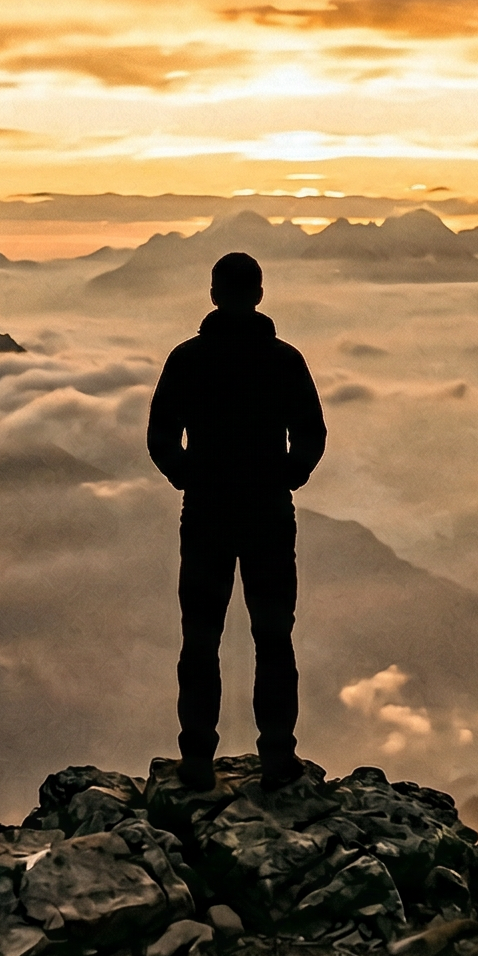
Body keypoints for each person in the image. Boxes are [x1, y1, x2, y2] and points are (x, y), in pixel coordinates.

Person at [146, 251, 326, 792]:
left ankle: (198, 759)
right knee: (273, 636)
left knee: (200, 637)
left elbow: (160, 438)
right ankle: (277, 757)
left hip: (205, 515)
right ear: (260, 294)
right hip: (268, 514)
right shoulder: (284, 360)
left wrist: (188, 477)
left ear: (213, 293)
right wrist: (285, 478)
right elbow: (312, 435)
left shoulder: (187, 359)